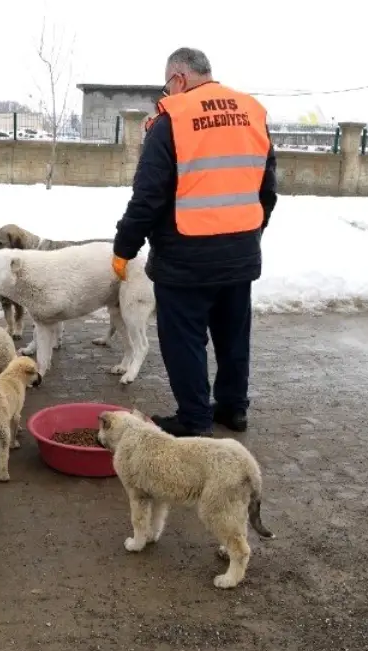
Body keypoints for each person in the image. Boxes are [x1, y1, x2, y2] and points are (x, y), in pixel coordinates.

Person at [111, 48, 278, 437]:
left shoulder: (173, 120)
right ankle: (234, 408)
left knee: (184, 340)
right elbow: (267, 186)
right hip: (239, 252)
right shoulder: (252, 112)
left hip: (185, 258)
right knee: (233, 335)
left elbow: (148, 196)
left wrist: (124, 248)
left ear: (179, 79)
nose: (167, 93)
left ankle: (194, 419)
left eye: (167, 84)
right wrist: (251, 232)